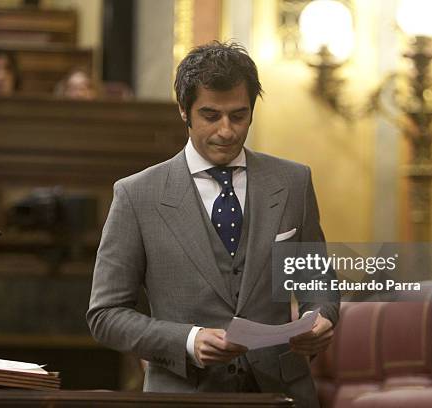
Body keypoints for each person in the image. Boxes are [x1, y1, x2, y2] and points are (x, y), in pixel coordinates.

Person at [87, 41, 339, 407]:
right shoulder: (136, 195)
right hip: (183, 396)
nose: (226, 131)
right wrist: (187, 341)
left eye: (239, 116)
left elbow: (317, 283)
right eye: (211, 115)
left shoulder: (294, 182)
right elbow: (105, 315)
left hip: (283, 394)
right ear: (183, 111)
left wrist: (321, 317)